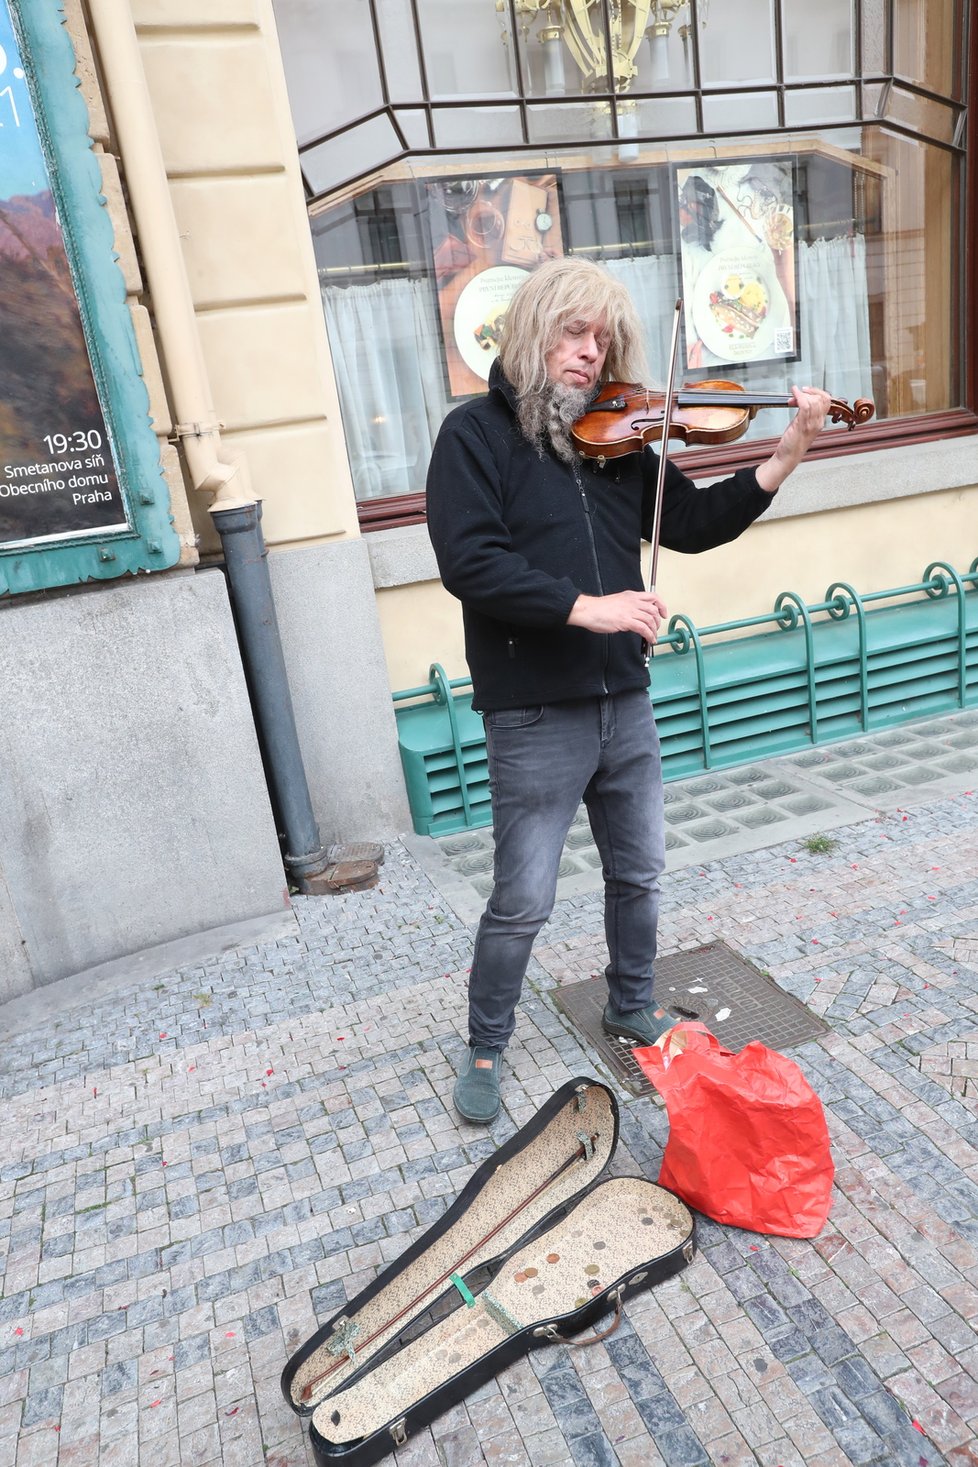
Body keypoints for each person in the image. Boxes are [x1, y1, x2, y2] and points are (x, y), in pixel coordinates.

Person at [426, 256, 830, 1124]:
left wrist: (784, 457)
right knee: (523, 897)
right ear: (535, 331)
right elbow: (471, 561)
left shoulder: (619, 440)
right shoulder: (474, 436)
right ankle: (487, 1041)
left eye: (602, 339)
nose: (590, 352)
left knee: (639, 874)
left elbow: (689, 523)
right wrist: (589, 608)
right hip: (535, 710)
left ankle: (630, 1001)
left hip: (624, 703)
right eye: (574, 333)